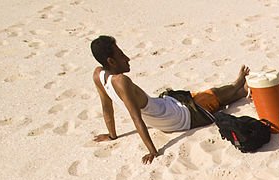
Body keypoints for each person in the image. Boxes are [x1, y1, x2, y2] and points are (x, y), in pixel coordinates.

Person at [90, 36, 248, 164]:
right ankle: (239, 87)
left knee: (207, 95)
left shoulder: (99, 75)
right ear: (111, 61)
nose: (127, 58)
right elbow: (136, 118)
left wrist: (112, 136)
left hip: (168, 106)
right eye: (121, 55)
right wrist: (152, 151)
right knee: (213, 95)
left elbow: (106, 107)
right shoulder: (121, 81)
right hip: (183, 115)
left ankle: (237, 87)